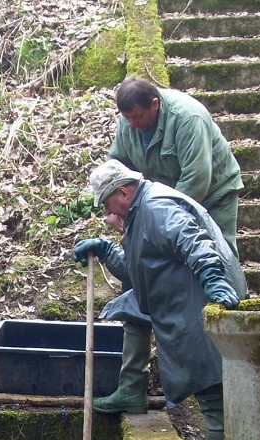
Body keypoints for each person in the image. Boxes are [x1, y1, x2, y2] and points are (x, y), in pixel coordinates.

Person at [73, 159, 247, 440]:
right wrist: (107, 252)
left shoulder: (156, 207)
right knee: (215, 405)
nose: (106, 211)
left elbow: (193, 242)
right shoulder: (140, 215)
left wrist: (215, 280)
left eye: (107, 204)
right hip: (181, 313)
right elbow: (143, 271)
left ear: (123, 191)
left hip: (199, 312)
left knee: (216, 408)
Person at [97, 77, 243, 415]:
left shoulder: (188, 118)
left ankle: (224, 370)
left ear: (155, 105)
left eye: (137, 117)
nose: (132, 124)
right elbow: (118, 167)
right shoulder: (128, 122)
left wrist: (152, 219)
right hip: (149, 206)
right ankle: (131, 385)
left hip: (207, 200)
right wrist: (128, 218)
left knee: (212, 274)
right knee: (141, 282)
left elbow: (197, 179)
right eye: (127, 118)